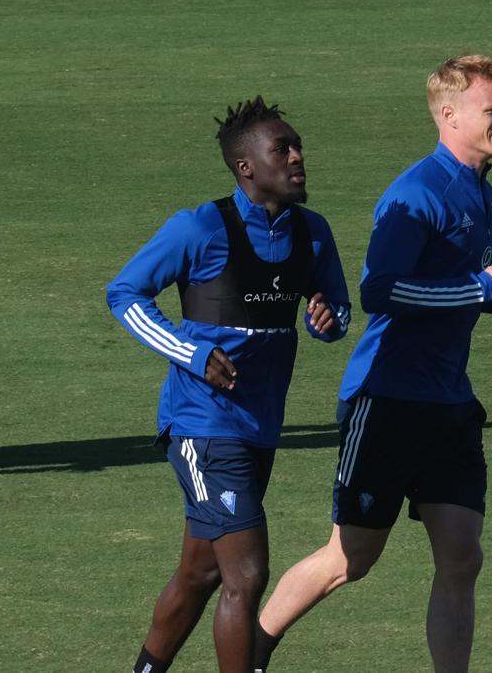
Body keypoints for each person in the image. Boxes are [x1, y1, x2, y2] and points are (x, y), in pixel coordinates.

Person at [253, 54, 492, 673]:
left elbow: (443, 286)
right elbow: (382, 291)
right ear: (449, 114)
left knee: (462, 556)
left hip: (448, 402)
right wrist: (480, 290)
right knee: (351, 559)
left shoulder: (477, 190)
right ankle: (247, 653)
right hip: (388, 400)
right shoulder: (418, 192)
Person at [106, 96, 351, 673]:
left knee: (201, 573)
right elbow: (125, 294)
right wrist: (192, 353)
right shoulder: (198, 227)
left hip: (260, 426)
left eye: (297, 147)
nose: (297, 157)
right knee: (246, 573)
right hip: (201, 424)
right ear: (246, 167)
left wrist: (327, 320)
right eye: (282, 148)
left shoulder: (313, 234)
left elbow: (337, 312)